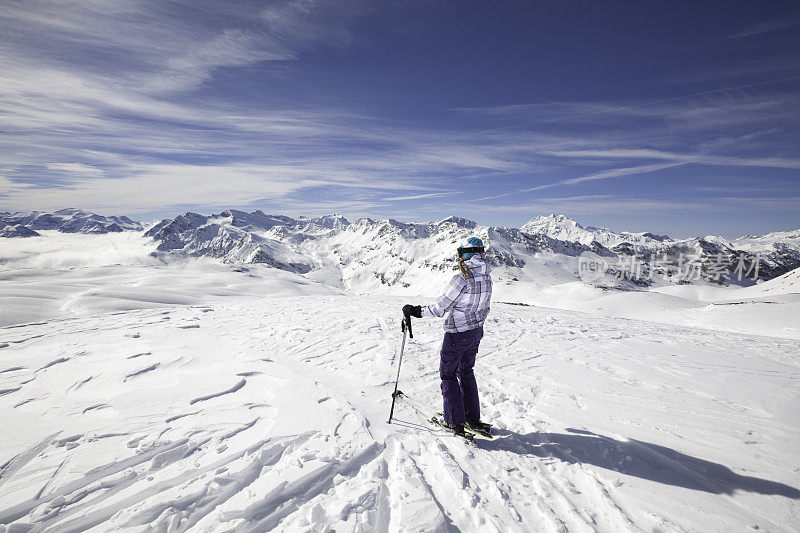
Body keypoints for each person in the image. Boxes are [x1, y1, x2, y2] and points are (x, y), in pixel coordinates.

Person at [403, 236, 493, 437]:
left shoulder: (463, 278)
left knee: (449, 375)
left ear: (464, 255)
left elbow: (440, 308)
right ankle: (472, 417)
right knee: (467, 371)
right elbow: (485, 306)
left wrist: (416, 311)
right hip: (476, 332)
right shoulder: (487, 276)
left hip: (457, 334)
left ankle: (454, 421)